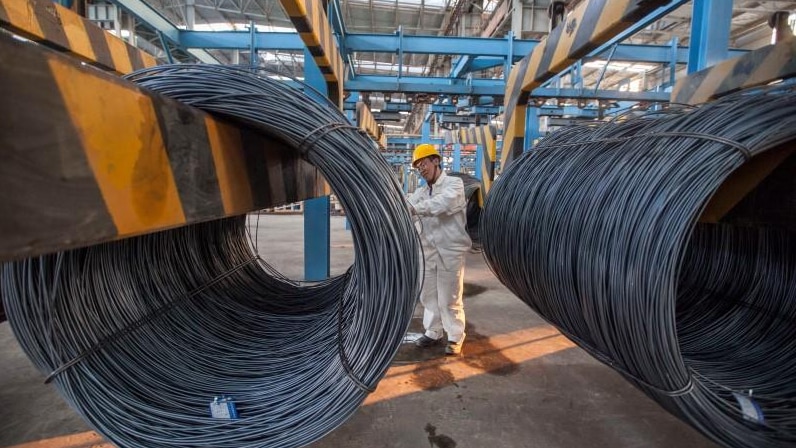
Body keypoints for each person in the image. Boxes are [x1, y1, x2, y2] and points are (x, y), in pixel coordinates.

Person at [406, 144, 472, 356]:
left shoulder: (454, 184)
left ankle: (455, 336)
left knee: (449, 298)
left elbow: (442, 204)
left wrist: (415, 209)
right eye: (418, 167)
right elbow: (407, 205)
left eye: (424, 163)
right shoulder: (421, 192)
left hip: (449, 251)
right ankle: (434, 331)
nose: (422, 169)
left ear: (436, 161)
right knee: (428, 296)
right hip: (427, 252)